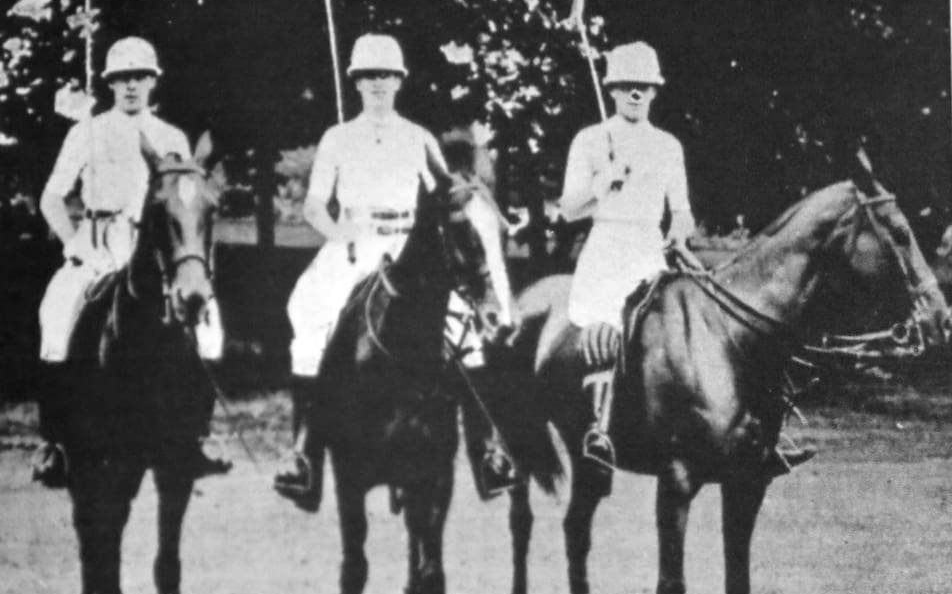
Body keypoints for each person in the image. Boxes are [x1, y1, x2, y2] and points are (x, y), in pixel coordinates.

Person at [273, 33, 516, 512]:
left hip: (411, 249)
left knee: (465, 330)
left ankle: (488, 450)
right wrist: (337, 230)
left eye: (386, 75)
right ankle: (303, 453)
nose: (378, 84)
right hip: (354, 245)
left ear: (399, 80)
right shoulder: (338, 138)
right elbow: (315, 205)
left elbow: (447, 197)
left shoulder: (419, 137)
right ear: (356, 83)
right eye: (368, 76)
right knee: (310, 321)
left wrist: (473, 193)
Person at [557, 40, 813, 475]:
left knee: (707, 326)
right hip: (607, 250)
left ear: (655, 92)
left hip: (649, 251)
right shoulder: (591, 140)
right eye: (626, 85)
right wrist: (606, 182)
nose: (636, 93)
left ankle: (762, 437)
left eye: (644, 86)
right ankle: (599, 430)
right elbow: (567, 209)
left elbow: (681, 209)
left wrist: (678, 231)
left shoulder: (667, 146)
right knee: (607, 332)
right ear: (613, 90)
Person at [33, 35, 230, 487]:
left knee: (209, 325)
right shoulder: (86, 130)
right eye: (121, 78)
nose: (131, 86)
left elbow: (185, 199)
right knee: (55, 313)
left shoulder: (171, 136)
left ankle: (197, 433)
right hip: (97, 244)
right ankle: (55, 440)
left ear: (153, 81)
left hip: (154, 250)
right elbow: (51, 197)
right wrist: (71, 242)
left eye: (140, 77)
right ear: (109, 84)